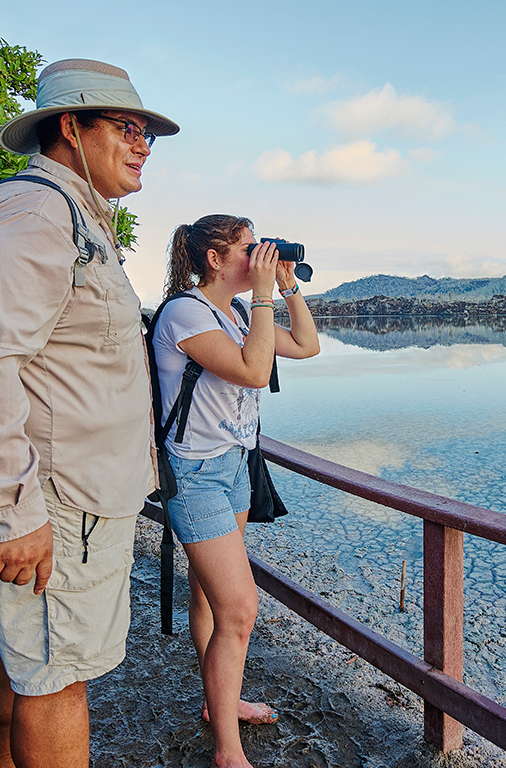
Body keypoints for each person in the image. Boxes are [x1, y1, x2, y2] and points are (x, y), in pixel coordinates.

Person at [0, 58, 179, 768]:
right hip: (53, 505)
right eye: (126, 127)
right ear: (70, 127)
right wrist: (12, 513)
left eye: (147, 132)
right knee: (54, 676)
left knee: (23, 652)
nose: (142, 145)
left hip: (62, 499)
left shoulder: (73, 216)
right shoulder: (37, 212)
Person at [153, 216, 320, 768]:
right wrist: (268, 292)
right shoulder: (184, 312)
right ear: (215, 260)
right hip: (195, 474)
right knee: (241, 610)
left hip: (236, 467)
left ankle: (218, 703)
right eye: (248, 248)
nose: (258, 255)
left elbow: (308, 346)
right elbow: (253, 371)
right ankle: (228, 750)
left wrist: (288, 286)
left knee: (211, 599)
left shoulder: (241, 311)